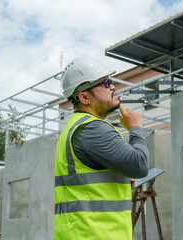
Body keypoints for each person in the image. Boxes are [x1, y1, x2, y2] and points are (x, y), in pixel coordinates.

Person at [54, 57, 149, 240]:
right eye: (105, 83)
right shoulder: (92, 128)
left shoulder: (76, 127)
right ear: (84, 97)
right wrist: (135, 128)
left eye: (111, 81)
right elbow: (140, 165)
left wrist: (118, 178)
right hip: (95, 234)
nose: (112, 86)